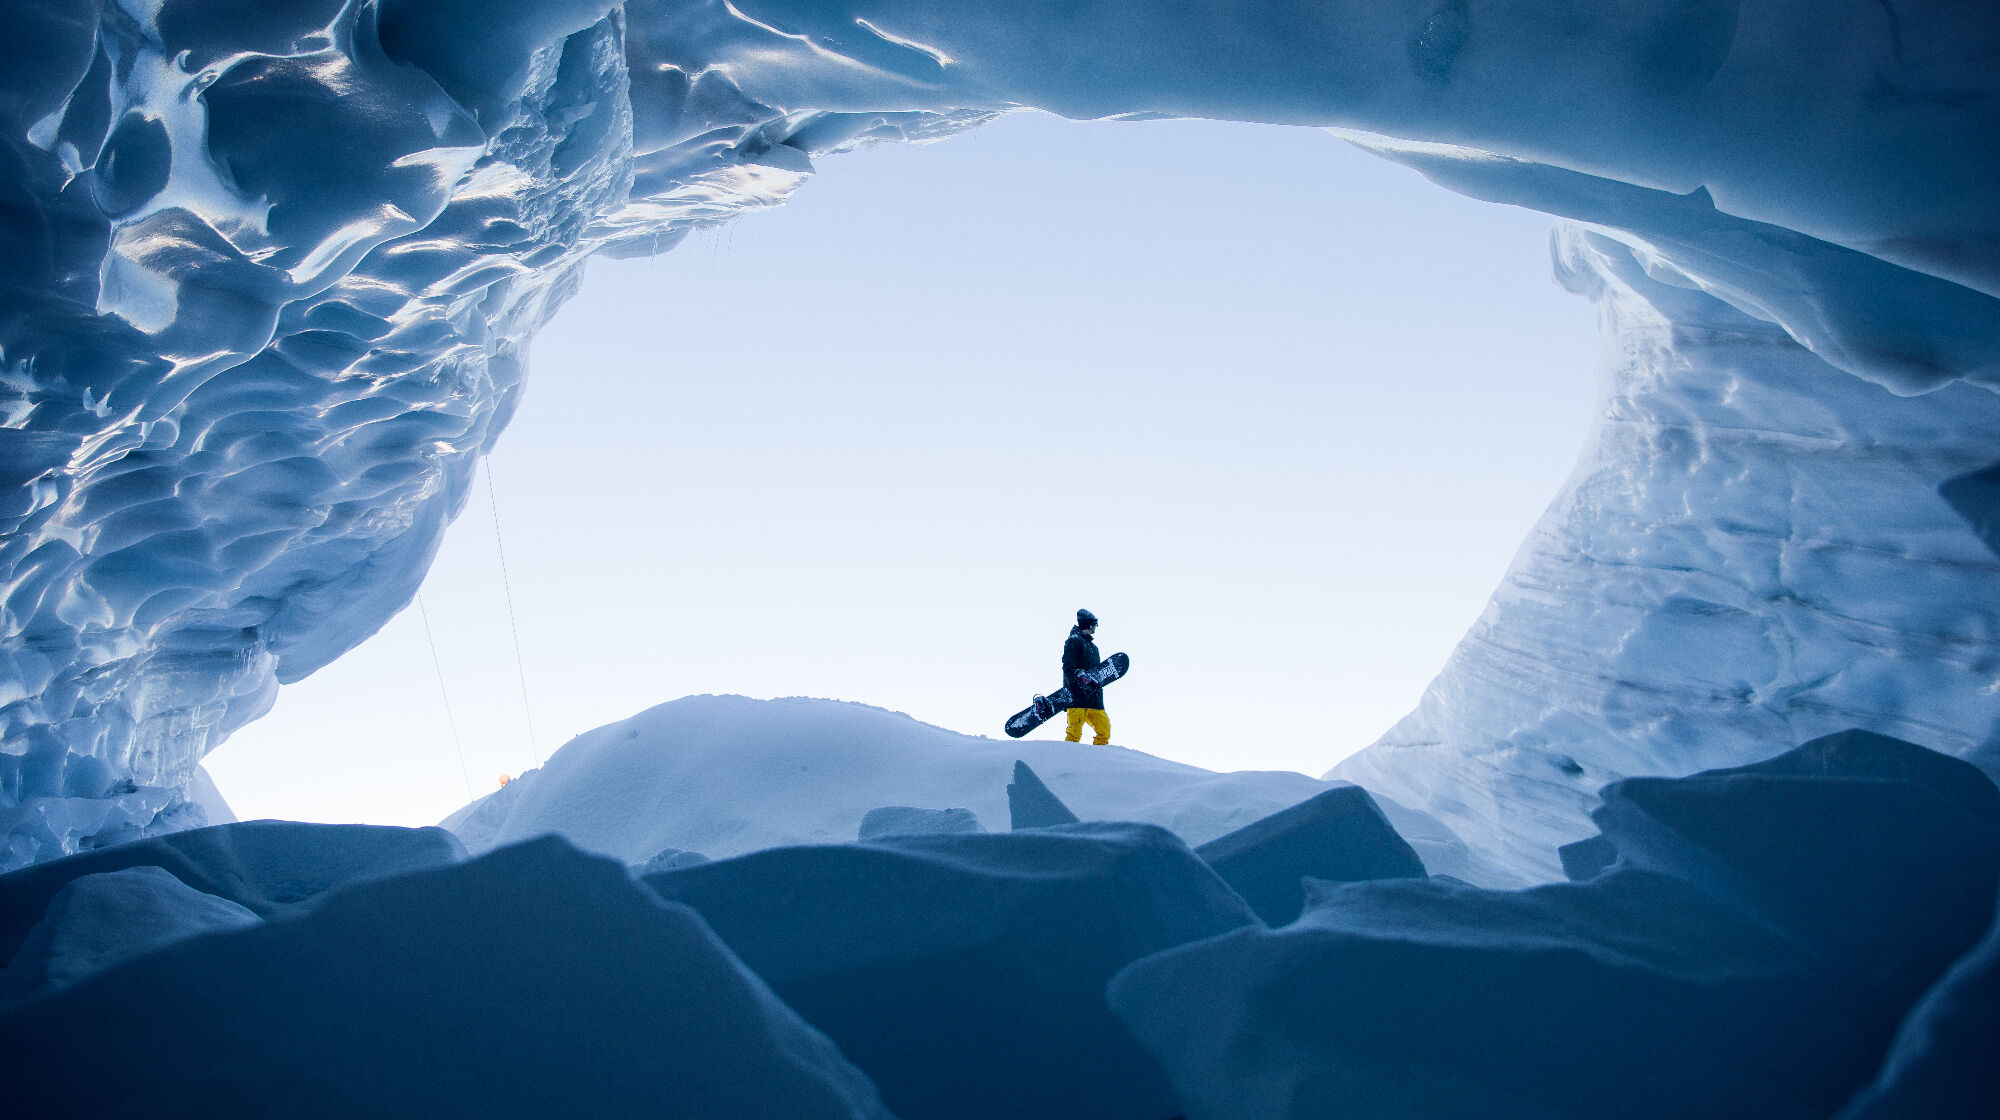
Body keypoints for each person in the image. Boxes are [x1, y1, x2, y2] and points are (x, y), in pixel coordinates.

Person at [1062, 609, 1111, 745]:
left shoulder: (1093, 647)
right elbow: (1068, 666)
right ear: (1089, 625)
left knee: (1104, 731)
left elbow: (1097, 672)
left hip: (1094, 698)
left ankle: (1098, 759)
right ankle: (1068, 760)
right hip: (1077, 697)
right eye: (1094, 624)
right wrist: (1079, 675)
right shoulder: (1074, 641)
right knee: (1074, 733)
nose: (1095, 627)